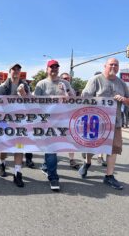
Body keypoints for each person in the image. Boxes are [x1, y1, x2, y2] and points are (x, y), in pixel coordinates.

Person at [79, 58, 129, 190]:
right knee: (92, 148)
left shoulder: (122, 83)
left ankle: (109, 176)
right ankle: (87, 162)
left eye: (116, 65)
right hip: (96, 123)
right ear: (105, 66)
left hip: (115, 122)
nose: (113, 66)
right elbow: (84, 98)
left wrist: (124, 99)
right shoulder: (96, 80)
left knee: (114, 148)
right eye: (111, 64)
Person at [34, 60, 74, 191]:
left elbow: (74, 99)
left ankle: (46, 167)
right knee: (52, 149)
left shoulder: (65, 83)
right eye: (52, 67)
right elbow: (34, 102)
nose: (54, 69)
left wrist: (66, 93)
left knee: (53, 149)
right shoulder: (41, 84)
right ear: (47, 69)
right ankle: (53, 177)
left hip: (61, 121)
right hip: (46, 122)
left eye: (56, 67)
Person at [0, 63, 30, 187]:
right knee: (4, 147)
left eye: (18, 69)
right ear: (9, 71)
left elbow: (30, 102)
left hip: (20, 121)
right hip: (6, 121)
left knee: (19, 146)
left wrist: (24, 95)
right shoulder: (3, 86)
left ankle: (17, 173)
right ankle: (2, 163)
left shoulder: (25, 85)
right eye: (13, 69)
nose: (16, 71)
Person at [59, 72, 79, 169]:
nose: (67, 80)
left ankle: (71, 159)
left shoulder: (71, 89)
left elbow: (75, 100)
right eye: (65, 78)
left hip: (68, 117)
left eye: (68, 79)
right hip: (57, 118)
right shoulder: (56, 88)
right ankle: (48, 162)